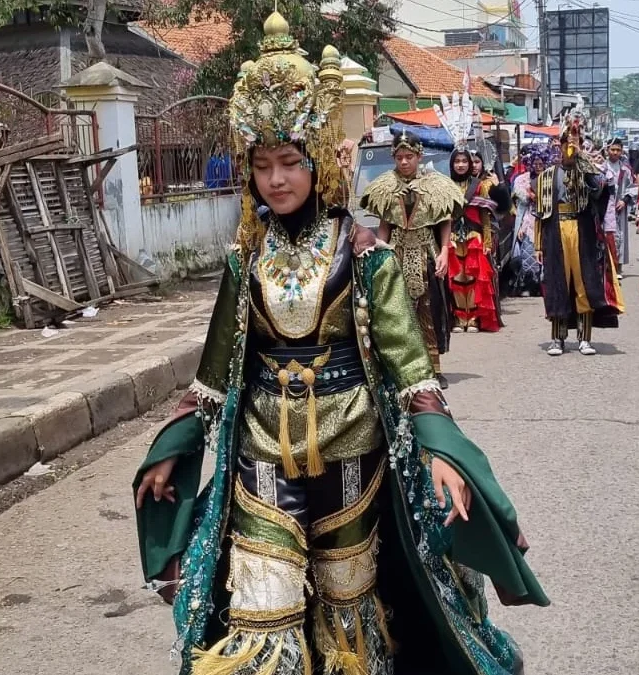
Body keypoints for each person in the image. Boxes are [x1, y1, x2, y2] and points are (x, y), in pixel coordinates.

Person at [133, 15, 547, 675]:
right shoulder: (246, 261)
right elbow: (213, 377)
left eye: (290, 161)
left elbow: (411, 369)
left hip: (353, 457)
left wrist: (441, 453)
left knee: (350, 624)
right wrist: (172, 449)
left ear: (316, 161)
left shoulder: (364, 253)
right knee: (257, 625)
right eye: (263, 164)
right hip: (261, 460)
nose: (276, 178)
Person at [361, 130, 462, 388]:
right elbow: (385, 225)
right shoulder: (386, 185)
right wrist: (379, 252)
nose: (404, 162)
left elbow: (444, 220)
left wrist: (445, 252)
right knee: (398, 312)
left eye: (409, 157)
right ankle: (401, 368)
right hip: (398, 252)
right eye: (399, 157)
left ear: (419, 156)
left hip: (426, 252)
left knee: (429, 310)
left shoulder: (435, 184)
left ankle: (433, 369)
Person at [534, 112, 624, 356]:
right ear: (559, 146)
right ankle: (557, 339)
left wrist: (583, 160)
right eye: (567, 144)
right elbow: (540, 214)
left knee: (585, 282)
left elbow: (600, 190)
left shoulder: (589, 172)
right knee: (557, 283)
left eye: (576, 143)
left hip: (582, 230)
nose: (571, 148)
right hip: (556, 231)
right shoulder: (546, 177)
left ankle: (585, 338)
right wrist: (538, 245)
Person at [445, 147, 501, 332]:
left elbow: (485, 215)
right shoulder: (445, 185)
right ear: (452, 164)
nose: (460, 165)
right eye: (457, 161)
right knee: (457, 278)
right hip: (452, 237)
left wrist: (487, 240)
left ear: (470, 164)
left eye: (464, 161)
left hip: (474, 237)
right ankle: (460, 318)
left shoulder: (479, 185)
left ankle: (474, 318)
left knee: (473, 278)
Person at [508, 144, 548, 296]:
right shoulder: (521, 180)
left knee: (548, 254)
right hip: (528, 221)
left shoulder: (549, 177)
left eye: (541, 163)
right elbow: (522, 200)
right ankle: (530, 284)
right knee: (528, 254)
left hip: (547, 220)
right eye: (535, 163)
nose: (538, 166)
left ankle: (545, 284)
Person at [602, 138, 635, 274]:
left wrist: (625, 200)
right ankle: (605, 267)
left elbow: (633, 186)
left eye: (618, 150)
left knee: (619, 237)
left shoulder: (625, 169)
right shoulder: (601, 167)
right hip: (604, 208)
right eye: (613, 149)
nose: (615, 153)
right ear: (607, 150)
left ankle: (618, 268)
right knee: (604, 236)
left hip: (619, 208)